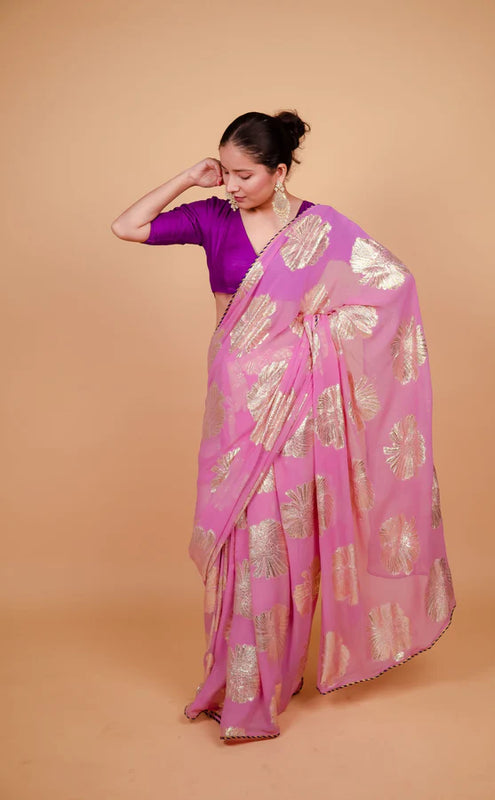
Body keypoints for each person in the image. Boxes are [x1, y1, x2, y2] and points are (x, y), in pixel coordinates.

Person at [111, 110, 457, 744]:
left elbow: (393, 285)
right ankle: (240, 678)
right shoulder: (211, 217)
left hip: (297, 403)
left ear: (278, 171)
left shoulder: (318, 229)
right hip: (237, 398)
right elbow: (126, 226)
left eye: (244, 175)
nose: (231, 185)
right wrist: (188, 178)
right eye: (225, 172)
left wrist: (315, 334)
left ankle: (267, 681)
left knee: (282, 539)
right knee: (240, 540)